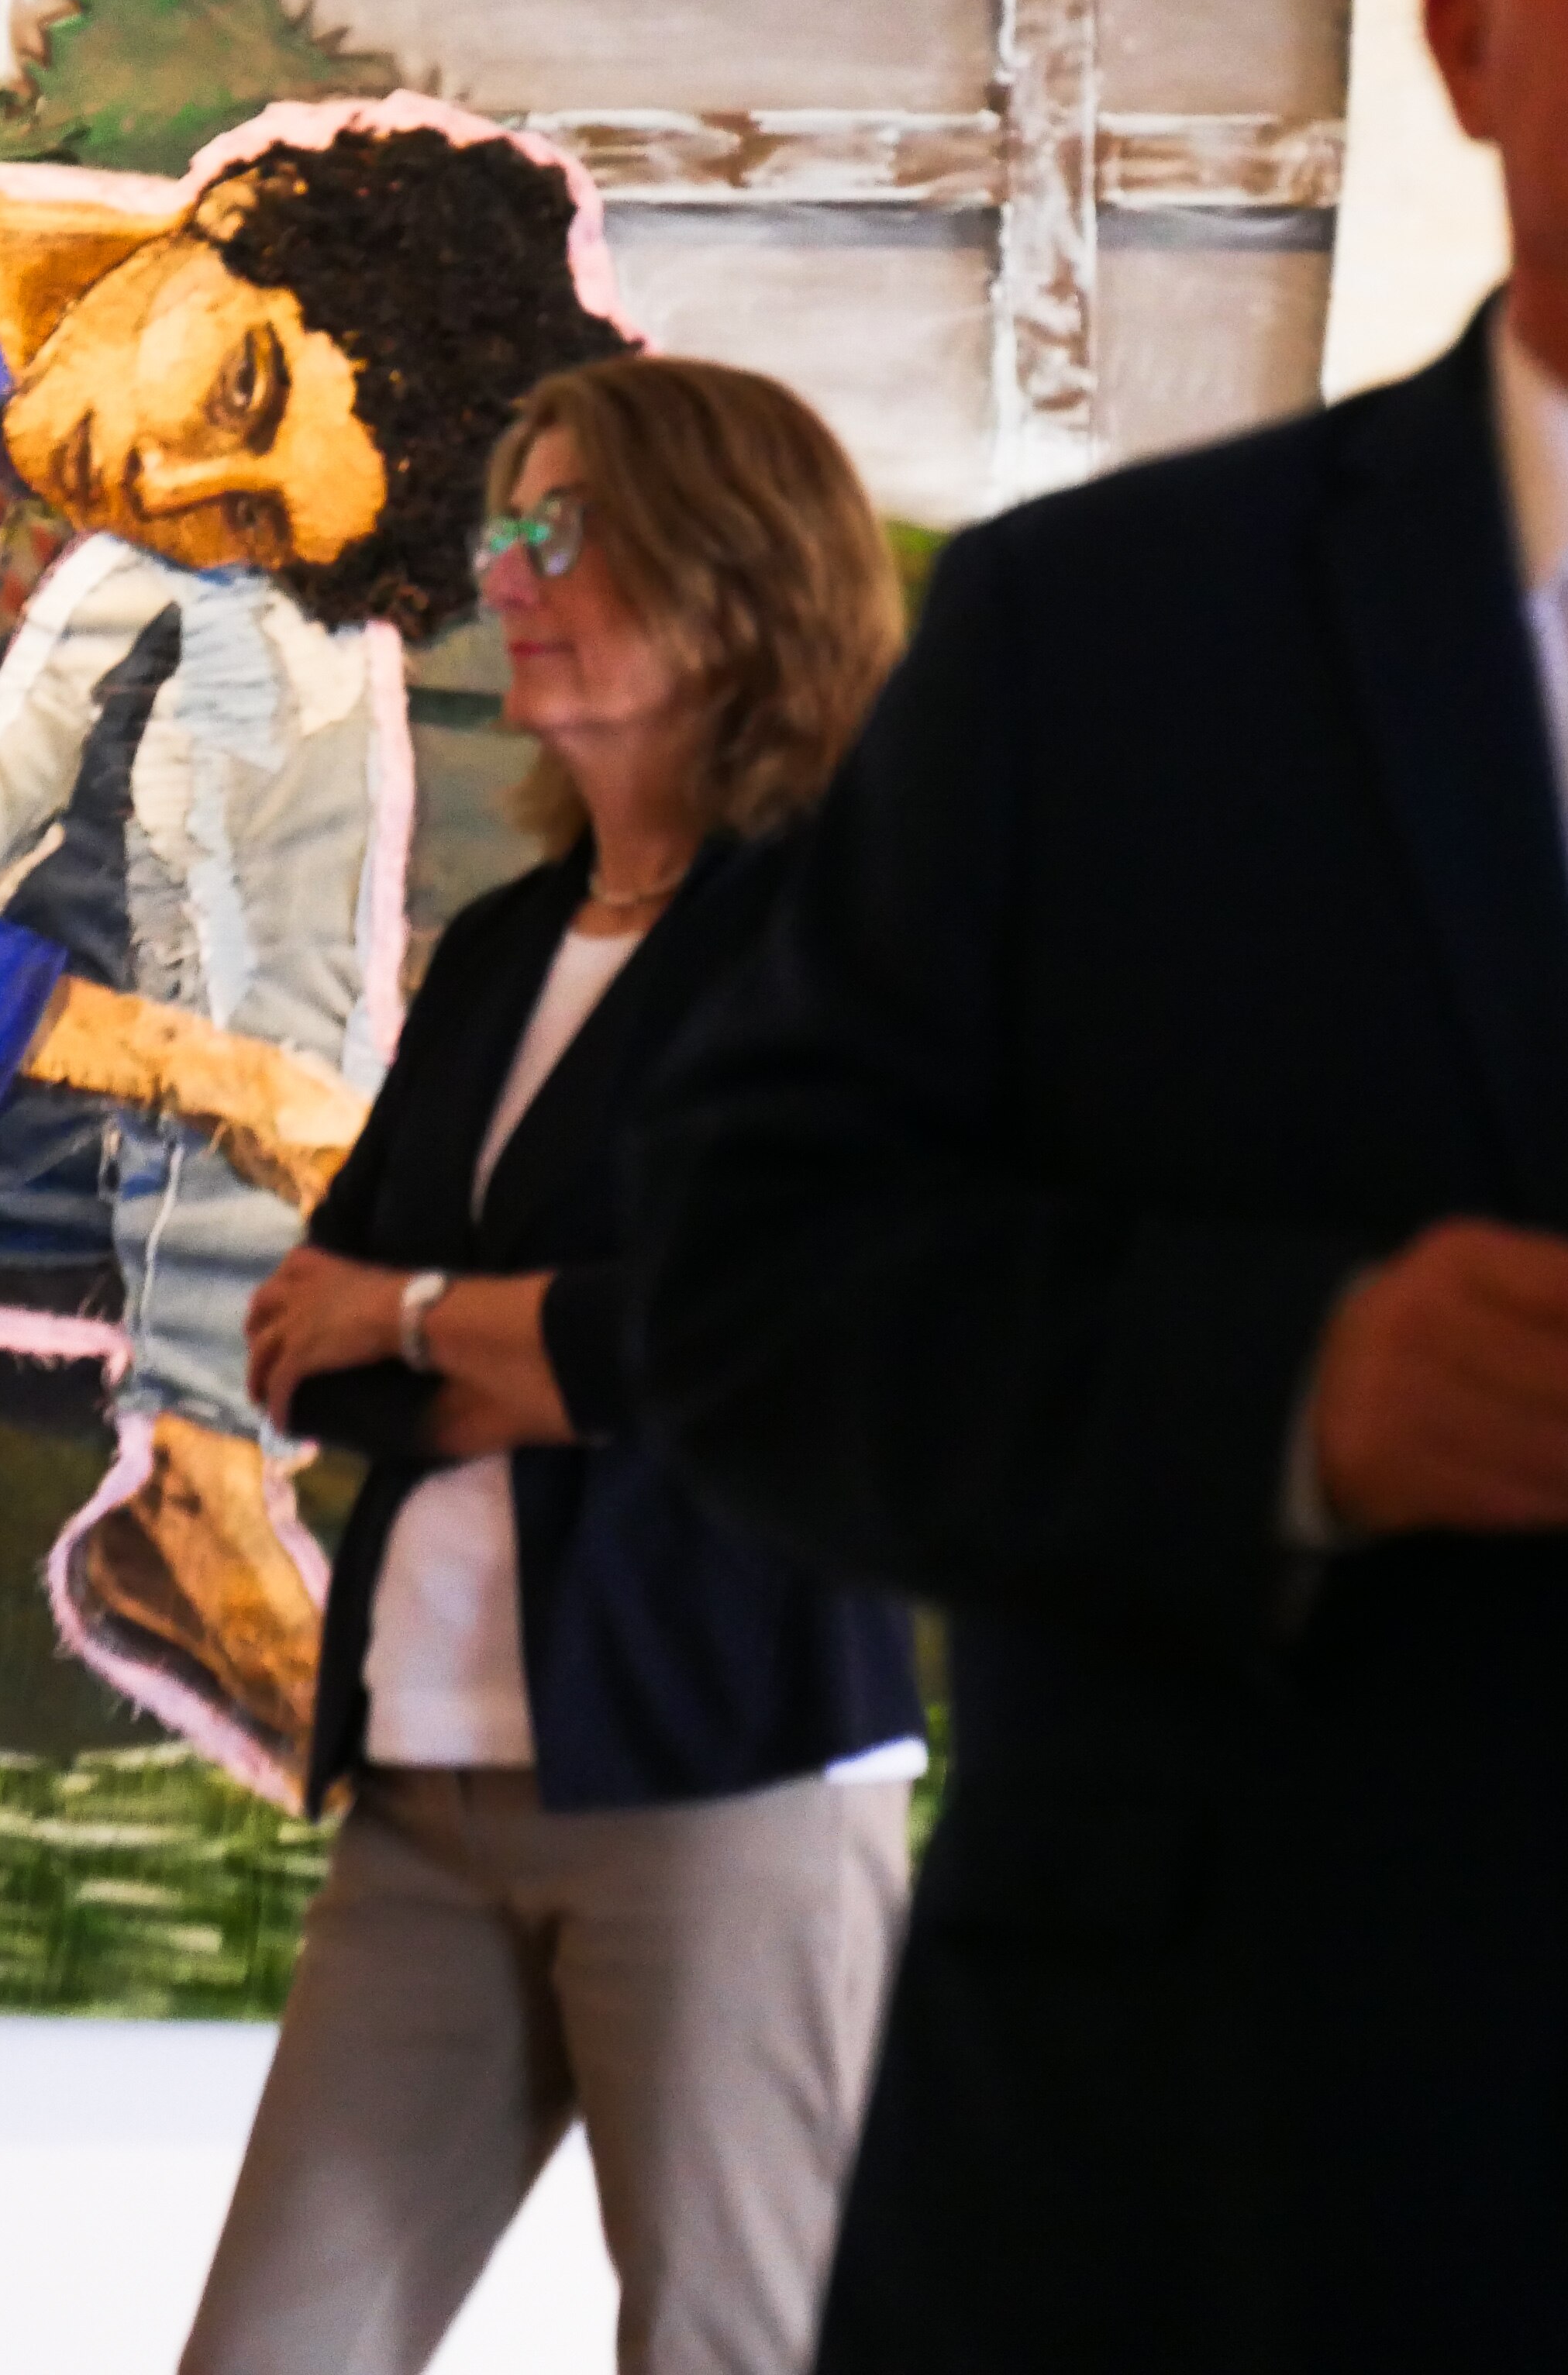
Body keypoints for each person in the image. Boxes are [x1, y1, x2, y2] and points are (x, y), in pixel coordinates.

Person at [631, 0, 1568, 2366]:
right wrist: (1280, 1389)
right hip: (1190, 2220)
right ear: (1472, 32)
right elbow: (744, 1288)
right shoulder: (1090, 643)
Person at [0, 102, 637, 1795]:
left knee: (260, 613)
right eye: (243, 399)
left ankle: (204, 1471)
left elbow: (240, 495)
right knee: (241, 623)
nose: (173, 475)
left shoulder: (139, 284)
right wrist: (231, 1084)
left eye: (242, 499)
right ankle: (213, 1468)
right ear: (225, 214)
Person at [184, 357, 926, 2375]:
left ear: (733, 570)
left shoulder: (841, 934)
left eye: (559, 524)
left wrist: (437, 1321)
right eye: (503, 525)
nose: (498, 571)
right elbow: (299, 1345)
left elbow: (798, 1337)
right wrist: (526, 1345)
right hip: (426, 1776)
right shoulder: (511, 939)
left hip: (725, 1776)